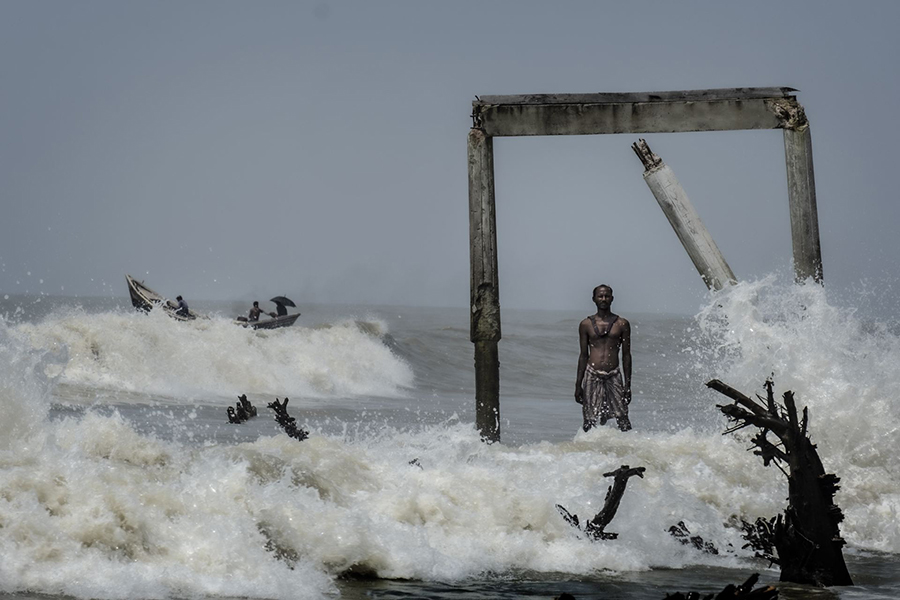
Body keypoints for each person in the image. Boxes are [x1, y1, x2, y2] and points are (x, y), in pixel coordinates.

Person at [574, 284, 632, 432]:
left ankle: (630, 450)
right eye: (600, 296)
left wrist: (628, 385)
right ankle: (587, 451)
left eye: (607, 296)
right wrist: (578, 385)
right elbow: (583, 355)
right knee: (589, 419)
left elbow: (626, 355)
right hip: (592, 373)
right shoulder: (585, 324)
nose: (604, 299)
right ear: (594, 299)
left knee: (623, 418)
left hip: (614, 374)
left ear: (612, 298)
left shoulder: (622, 324)